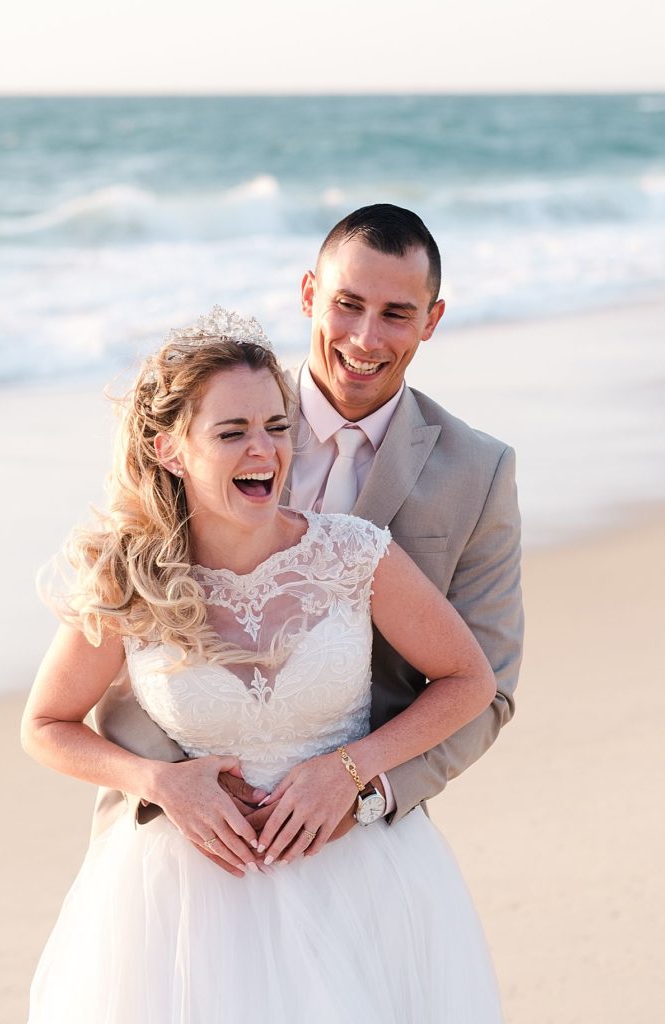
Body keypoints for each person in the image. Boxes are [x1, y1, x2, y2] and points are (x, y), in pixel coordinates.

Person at [23, 309, 503, 1021]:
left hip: (360, 881)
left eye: (276, 427)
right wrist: (159, 782)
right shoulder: (130, 578)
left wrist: (350, 770)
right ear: (169, 449)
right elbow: (45, 723)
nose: (264, 451)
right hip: (183, 907)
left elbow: (470, 681)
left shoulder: (352, 554)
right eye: (231, 432)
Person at [90, 204, 523, 862]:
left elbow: (485, 684)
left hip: (356, 837)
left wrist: (365, 791)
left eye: (396, 314)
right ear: (308, 295)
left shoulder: (479, 473)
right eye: (346, 304)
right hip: (177, 832)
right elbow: (121, 626)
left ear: (431, 320)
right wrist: (175, 787)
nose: (365, 339)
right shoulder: (211, 421)